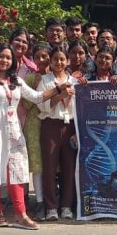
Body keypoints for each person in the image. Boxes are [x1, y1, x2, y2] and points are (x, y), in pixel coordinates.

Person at [0, 43, 74, 228]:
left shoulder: (16, 80)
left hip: (14, 132)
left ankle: (21, 214)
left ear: (13, 61)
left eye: (8, 58)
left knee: (17, 171)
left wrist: (58, 89)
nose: (4, 60)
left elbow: (37, 97)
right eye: (1, 56)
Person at [37, 46, 81, 219]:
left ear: (67, 60)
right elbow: (41, 105)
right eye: (55, 59)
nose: (59, 62)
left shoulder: (75, 81)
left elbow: (80, 106)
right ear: (51, 60)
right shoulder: (45, 80)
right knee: (49, 167)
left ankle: (66, 206)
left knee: (69, 167)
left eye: (62, 59)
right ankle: (51, 207)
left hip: (70, 126)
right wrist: (60, 95)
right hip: (51, 126)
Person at [22, 44, 52, 211]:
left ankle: (52, 199)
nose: (41, 60)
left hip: (52, 122)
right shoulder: (30, 78)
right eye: (37, 57)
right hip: (34, 125)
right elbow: (26, 105)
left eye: (44, 56)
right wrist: (35, 87)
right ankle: (39, 202)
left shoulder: (57, 77)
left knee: (53, 162)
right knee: (37, 164)